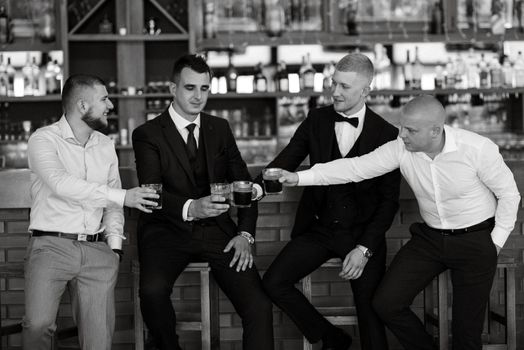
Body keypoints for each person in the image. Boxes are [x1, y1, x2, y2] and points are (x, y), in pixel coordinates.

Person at [279, 95, 521, 350]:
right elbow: (355, 168)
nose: (402, 134)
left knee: (466, 332)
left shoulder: (477, 148)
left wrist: (495, 243)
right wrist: (299, 177)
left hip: (476, 239)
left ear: (435, 131)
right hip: (430, 239)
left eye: (411, 130)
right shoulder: (400, 147)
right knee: (385, 303)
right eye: (402, 126)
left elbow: (509, 194)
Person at [258, 53, 400, 350]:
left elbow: (389, 203)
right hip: (320, 229)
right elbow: (286, 161)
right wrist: (257, 189)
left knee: (370, 314)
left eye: (344, 87)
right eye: (333, 83)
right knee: (273, 282)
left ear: (366, 91)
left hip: (362, 236)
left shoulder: (388, 134)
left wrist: (364, 249)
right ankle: (331, 337)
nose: (334, 92)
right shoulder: (317, 119)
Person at [132, 54, 274, 350]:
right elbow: (151, 191)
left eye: (204, 88)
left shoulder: (219, 128)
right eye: (190, 88)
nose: (198, 96)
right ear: (173, 89)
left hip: (217, 232)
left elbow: (243, 184)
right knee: (152, 292)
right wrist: (191, 208)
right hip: (164, 231)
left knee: (258, 305)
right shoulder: (147, 134)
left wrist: (245, 234)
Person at [23, 74, 159, 350]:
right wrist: (124, 197)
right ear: (83, 106)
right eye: (105, 99)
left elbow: (111, 204)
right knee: (37, 327)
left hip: (98, 250)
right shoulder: (44, 140)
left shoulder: (106, 146)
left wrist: (115, 246)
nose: (111, 105)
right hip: (51, 245)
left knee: (98, 341)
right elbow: (62, 184)